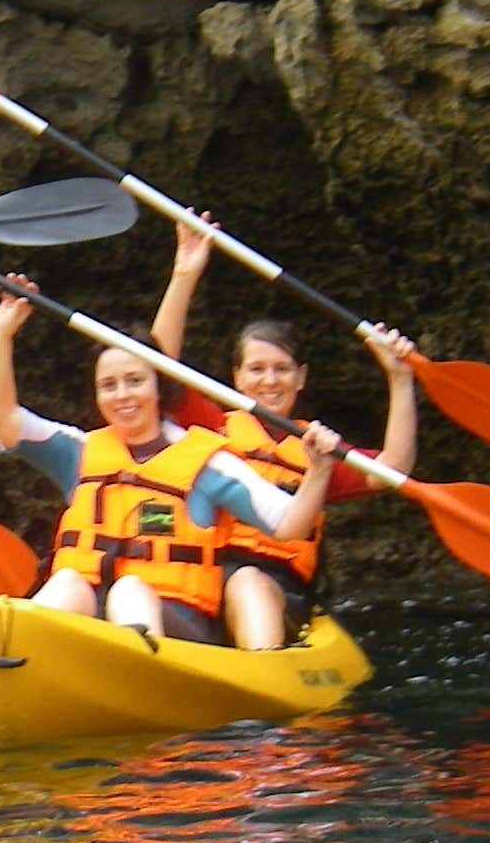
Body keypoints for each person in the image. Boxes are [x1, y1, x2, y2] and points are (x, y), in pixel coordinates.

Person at [0, 274, 341, 646]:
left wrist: (319, 469)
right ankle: (21, 646)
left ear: (158, 387)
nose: (123, 395)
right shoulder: (78, 451)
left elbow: (290, 524)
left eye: (135, 381)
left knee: (130, 589)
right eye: (109, 385)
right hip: (91, 615)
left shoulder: (208, 464)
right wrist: (2, 332)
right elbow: (0, 417)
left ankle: (137, 665)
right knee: (68, 581)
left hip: (180, 629)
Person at [152, 217, 419, 649]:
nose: (269, 381)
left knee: (248, 582)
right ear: (237, 378)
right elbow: (157, 368)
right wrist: (185, 272)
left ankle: (263, 691)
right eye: (256, 369)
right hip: (198, 583)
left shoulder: (318, 450)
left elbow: (394, 468)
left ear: (301, 379)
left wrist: (400, 379)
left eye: (281, 370)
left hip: (279, 590)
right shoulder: (213, 426)